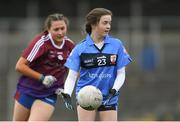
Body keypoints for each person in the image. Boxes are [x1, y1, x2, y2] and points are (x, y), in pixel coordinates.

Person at [59, 8, 132, 121]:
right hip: (86, 96)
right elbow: (72, 76)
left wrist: (114, 90)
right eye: (105, 23)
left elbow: (121, 73)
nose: (108, 26)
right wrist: (67, 94)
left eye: (109, 23)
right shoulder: (80, 49)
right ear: (93, 24)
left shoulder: (117, 45)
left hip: (109, 96)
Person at [13, 13, 75, 121]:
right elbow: (19, 66)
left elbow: (73, 70)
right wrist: (42, 78)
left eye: (62, 28)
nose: (60, 32)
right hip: (26, 90)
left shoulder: (70, 46)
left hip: (48, 94)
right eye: (56, 29)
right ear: (48, 29)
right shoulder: (41, 43)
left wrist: (64, 87)